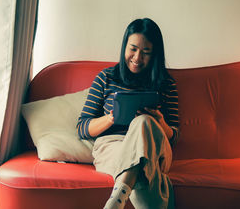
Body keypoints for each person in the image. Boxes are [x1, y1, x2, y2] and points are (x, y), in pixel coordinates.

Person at [77, 18, 179, 209]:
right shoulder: (105, 78)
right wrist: (110, 118)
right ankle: (119, 199)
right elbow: (82, 128)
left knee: (144, 122)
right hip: (112, 146)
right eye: (133, 49)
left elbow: (175, 137)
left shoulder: (166, 84)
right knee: (143, 167)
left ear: (155, 54)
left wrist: (160, 123)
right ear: (124, 46)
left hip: (156, 148)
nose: (137, 57)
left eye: (146, 52)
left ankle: (115, 202)